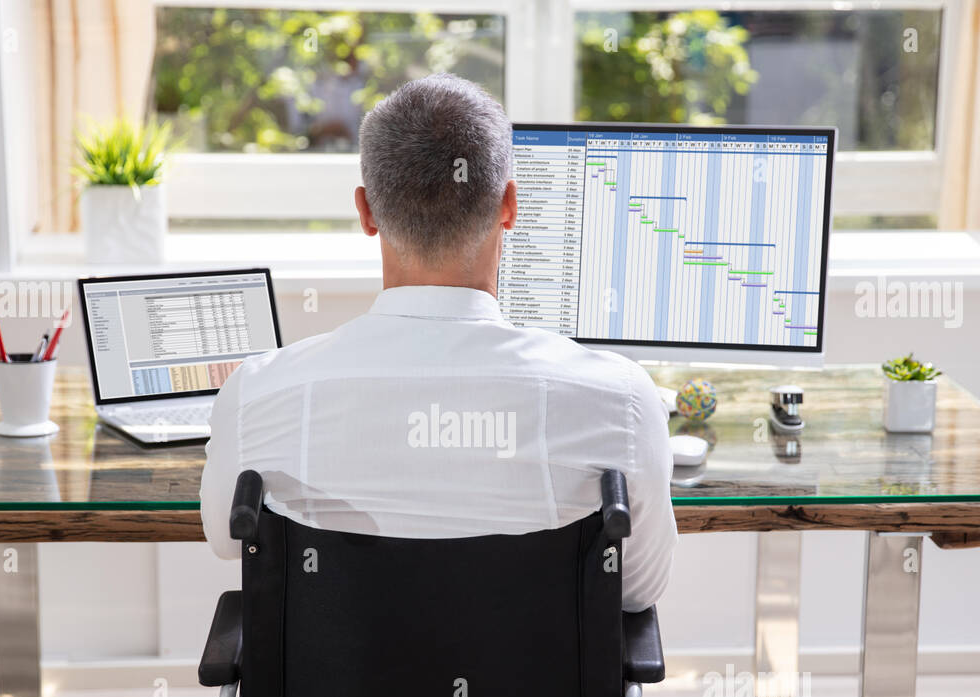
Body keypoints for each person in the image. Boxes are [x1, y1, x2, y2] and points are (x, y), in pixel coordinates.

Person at [200, 74, 676, 611]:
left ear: (366, 211)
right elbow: (635, 592)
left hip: (332, 693)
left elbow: (224, 539)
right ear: (510, 206)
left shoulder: (257, 393)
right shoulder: (623, 399)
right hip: (533, 694)